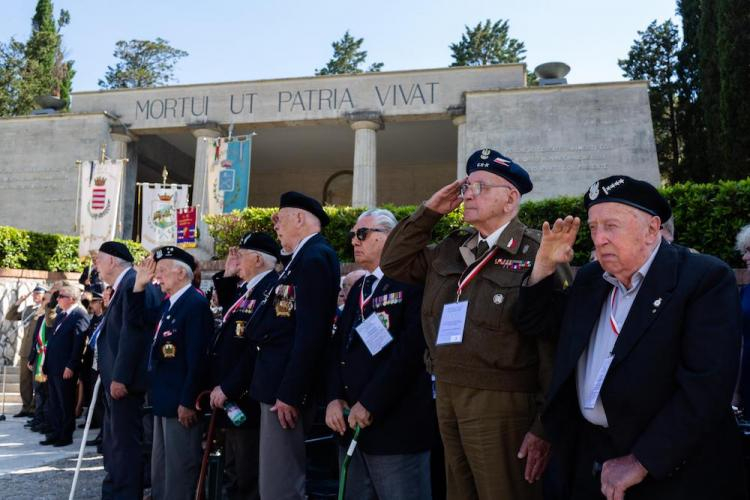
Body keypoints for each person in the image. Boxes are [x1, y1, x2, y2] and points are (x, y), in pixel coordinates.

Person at [516, 175, 746, 499]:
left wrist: (641, 461)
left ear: (652, 229)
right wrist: (543, 266)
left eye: (611, 226)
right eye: (594, 228)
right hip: (591, 455)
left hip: (668, 468)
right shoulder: (592, 280)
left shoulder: (702, 279)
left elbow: (706, 388)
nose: (600, 239)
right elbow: (533, 322)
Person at [380, 148, 570, 499]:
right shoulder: (452, 249)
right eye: (466, 186)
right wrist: (430, 212)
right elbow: (393, 262)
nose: (467, 194)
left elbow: (555, 347)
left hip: (503, 402)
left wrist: (544, 425)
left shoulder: (536, 252)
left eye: (480, 186)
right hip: (446, 392)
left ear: (510, 198)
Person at [230, 191, 339, 499]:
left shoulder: (315, 256)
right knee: (274, 482)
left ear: (300, 219)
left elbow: (310, 333)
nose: (275, 225)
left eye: (280, 218)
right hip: (275, 384)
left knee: (281, 486)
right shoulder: (299, 259)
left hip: (284, 391)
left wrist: (291, 392)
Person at [326, 208, 434, 499]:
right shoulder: (361, 285)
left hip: (395, 430)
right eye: (353, 235)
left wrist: (370, 402)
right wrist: (334, 397)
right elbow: (339, 348)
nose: (354, 242)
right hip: (352, 427)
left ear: (390, 238)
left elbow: (409, 354)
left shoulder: (413, 282)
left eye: (362, 234)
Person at [130, 246, 213, 500]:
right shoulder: (170, 303)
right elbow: (138, 321)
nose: (159, 276)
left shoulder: (194, 303)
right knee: (161, 472)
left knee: (179, 472)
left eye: (163, 270)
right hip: (163, 399)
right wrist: (139, 287)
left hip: (180, 402)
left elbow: (197, 359)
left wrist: (188, 401)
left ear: (180, 273)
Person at [208, 232, 281, 500]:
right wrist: (229, 274)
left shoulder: (271, 289)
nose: (236, 259)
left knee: (247, 473)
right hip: (230, 396)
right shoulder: (247, 288)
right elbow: (231, 318)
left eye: (242, 254)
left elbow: (253, 348)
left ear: (259, 258)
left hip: (246, 396)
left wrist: (228, 387)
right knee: (233, 470)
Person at [94, 241, 151, 499]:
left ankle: (124, 493)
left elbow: (133, 335)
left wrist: (120, 377)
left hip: (124, 383)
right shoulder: (121, 286)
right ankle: (115, 489)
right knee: (113, 443)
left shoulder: (132, 284)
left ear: (114, 261)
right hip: (113, 379)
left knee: (125, 445)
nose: (95, 264)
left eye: (99, 259)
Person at [40, 284, 89, 446]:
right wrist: (45, 365)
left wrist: (71, 366)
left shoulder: (80, 315)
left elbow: (78, 344)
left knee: (65, 402)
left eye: (62, 296)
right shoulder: (62, 315)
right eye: (59, 296)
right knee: (54, 401)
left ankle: (66, 435)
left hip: (65, 367)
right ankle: (56, 431)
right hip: (54, 365)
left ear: (72, 299)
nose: (58, 299)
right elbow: (52, 341)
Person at [5, 284, 46, 417]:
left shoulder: (45, 310)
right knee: (25, 380)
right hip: (25, 350)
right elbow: (10, 316)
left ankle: (35, 407)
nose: (35, 296)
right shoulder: (28, 309)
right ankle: (26, 407)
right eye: (34, 294)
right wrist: (18, 302)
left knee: (37, 381)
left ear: (44, 295)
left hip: (38, 350)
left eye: (38, 294)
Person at [735, 224, 750, 411]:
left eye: (749, 251)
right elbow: (738, 341)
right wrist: (735, 392)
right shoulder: (745, 292)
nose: (745, 257)